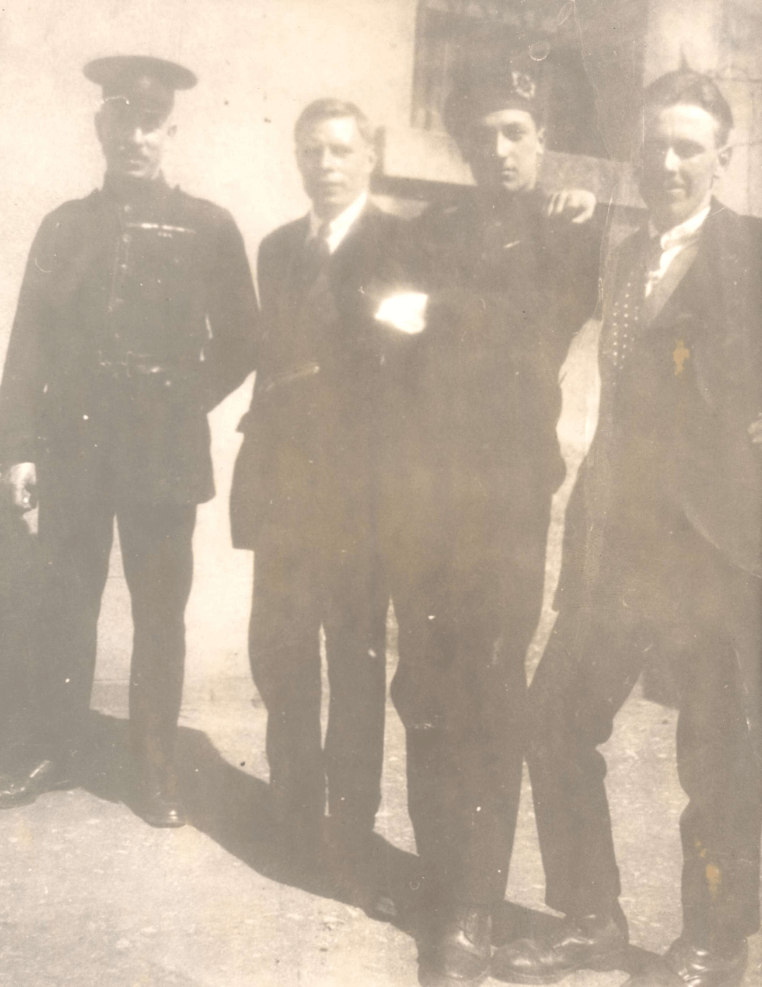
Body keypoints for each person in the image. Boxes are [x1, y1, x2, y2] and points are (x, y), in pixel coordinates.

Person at [493, 71, 762, 987]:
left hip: (716, 563)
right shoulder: (621, 253)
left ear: (724, 157)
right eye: (655, 146)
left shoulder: (752, 254)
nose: (670, 163)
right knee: (554, 721)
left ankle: (715, 944)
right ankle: (592, 920)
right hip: (618, 551)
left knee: (717, 758)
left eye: (690, 147)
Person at [375, 57, 602, 986]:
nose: (500, 149)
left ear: (543, 141)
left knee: (490, 693)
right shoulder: (427, 232)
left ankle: (473, 905)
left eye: (517, 132)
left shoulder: (570, 234)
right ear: (464, 147)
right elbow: (388, 322)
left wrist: (441, 313)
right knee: (423, 687)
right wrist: (445, 317)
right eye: (484, 135)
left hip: (506, 504)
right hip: (426, 498)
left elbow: (531, 329)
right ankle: (440, 880)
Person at [0, 56, 258, 827]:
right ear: (100, 126)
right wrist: (18, 447)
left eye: (150, 123)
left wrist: (180, 402)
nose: (134, 136)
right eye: (122, 120)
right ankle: (53, 745)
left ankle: (153, 768)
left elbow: (243, 339)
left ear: (170, 131)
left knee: (159, 613)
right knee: (65, 601)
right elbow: (28, 342)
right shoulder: (64, 226)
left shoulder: (209, 226)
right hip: (74, 450)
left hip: (162, 457)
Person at [229, 98, 405, 904]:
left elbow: (403, 363)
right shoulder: (277, 249)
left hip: (359, 493)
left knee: (356, 662)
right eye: (312, 151)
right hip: (285, 489)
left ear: (370, 155)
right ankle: (292, 806)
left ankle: (350, 826)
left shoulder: (401, 243)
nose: (326, 165)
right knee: (280, 649)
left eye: (340, 149)